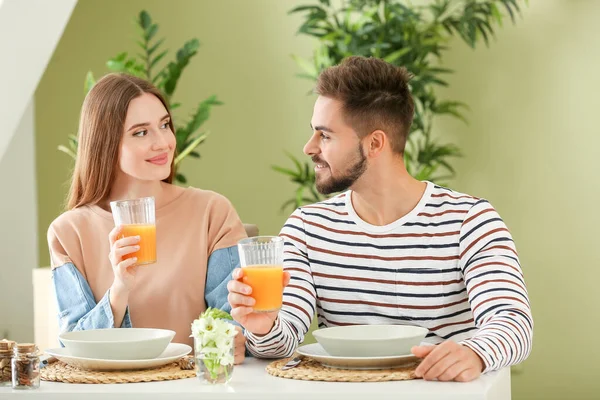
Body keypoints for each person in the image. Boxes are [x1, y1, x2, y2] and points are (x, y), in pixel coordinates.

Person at [227, 56, 533, 380]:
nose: (308, 147)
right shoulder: (307, 228)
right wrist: (263, 327)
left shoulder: (469, 222)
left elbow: (512, 323)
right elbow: (283, 338)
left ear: (374, 143)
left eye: (325, 136)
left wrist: (475, 352)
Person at [48, 73, 247, 363]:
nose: (163, 142)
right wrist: (120, 289)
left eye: (164, 125)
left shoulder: (211, 212)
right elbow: (73, 348)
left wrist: (234, 339)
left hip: (193, 387)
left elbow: (231, 322)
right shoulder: (69, 232)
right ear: (105, 143)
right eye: (141, 132)